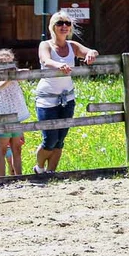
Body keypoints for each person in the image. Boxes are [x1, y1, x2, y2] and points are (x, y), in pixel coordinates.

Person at [33, 12, 97, 174]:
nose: (64, 26)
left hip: (67, 98)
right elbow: (45, 60)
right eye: (60, 23)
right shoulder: (45, 45)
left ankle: (51, 173)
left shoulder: (72, 45)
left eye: (67, 23)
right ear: (52, 26)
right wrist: (58, 65)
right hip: (47, 99)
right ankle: (39, 168)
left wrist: (91, 54)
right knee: (50, 139)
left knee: (60, 140)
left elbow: (91, 51)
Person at [0, 49, 28, 177]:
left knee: (17, 148)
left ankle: (18, 176)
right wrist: (11, 78)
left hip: (16, 113)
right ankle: (1, 176)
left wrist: (20, 73)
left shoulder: (13, 73)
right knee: (2, 148)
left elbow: (24, 77)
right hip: (3, 114)